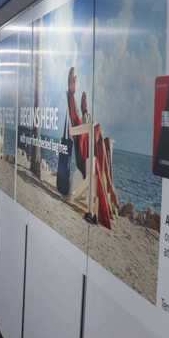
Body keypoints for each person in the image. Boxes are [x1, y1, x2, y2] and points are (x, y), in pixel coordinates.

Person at [66, 67, 119, 228]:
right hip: (84, 161)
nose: (86, 116)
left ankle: (97, 211)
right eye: (85, 114)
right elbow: (74, 114)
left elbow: (86, 117)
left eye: (87, 115)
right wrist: (71, 92)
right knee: (94, 162)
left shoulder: (88, 128)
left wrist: (85, 109)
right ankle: (97, 210)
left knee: (102, 146)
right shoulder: (79, 126)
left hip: (91, 159)